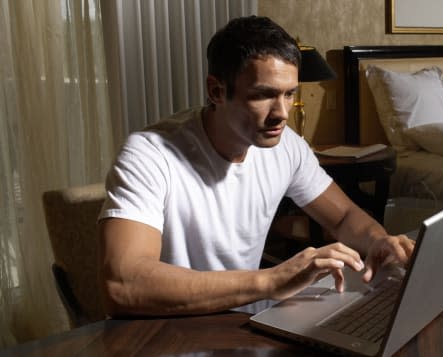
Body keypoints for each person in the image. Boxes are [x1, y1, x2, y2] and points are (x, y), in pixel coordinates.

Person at [97, 15, 414, 317]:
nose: (282, 113)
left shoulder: (286, 145)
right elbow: (124, 284)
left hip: (248, 324)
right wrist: (271, 281)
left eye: (289, 94)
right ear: (217, 91)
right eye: (263, 95)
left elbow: (343, 216)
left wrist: (378, 240)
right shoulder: (149, 154)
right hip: (171, 331)